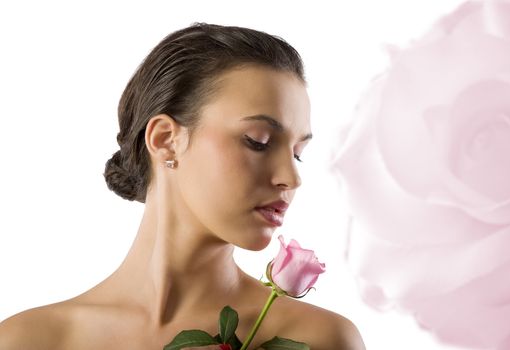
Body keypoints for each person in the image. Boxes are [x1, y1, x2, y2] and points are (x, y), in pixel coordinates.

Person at [0, 23, 365, 350]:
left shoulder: (318, 341)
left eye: (298, 153)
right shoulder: (29, 341)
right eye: (258, 140)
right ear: (165, 140)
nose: (292, 177)